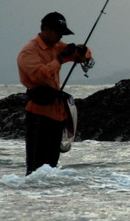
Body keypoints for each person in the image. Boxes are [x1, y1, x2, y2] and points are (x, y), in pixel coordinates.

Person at [17, 12, 91, 174]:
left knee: (51, 167)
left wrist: (82, 51)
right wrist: (59, 60)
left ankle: (49, 195)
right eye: (58, 33)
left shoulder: (57, 47)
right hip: (38, 113)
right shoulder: (29, 51)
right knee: (35, 168)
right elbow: (38, 75)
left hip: (58, 114)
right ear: (46, 30)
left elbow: (83, 56)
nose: (60, 37)